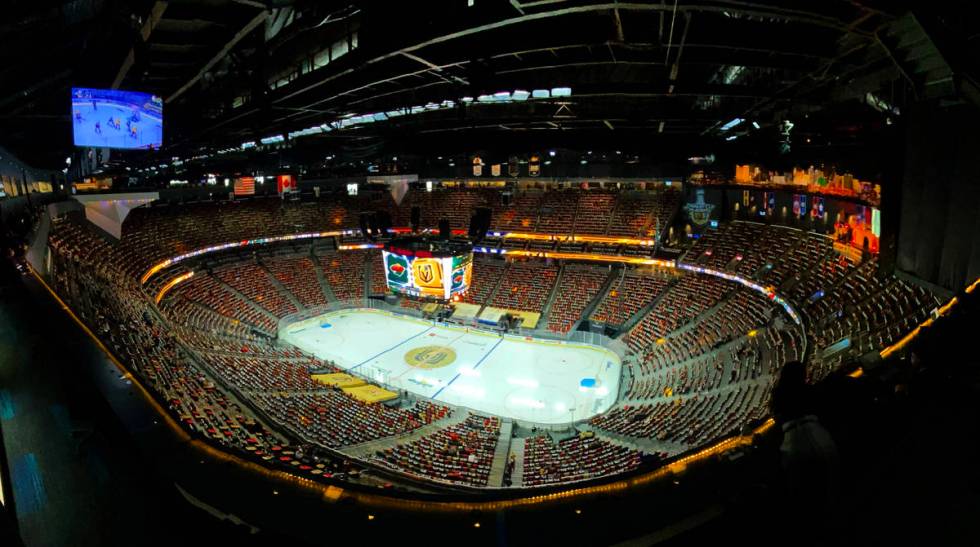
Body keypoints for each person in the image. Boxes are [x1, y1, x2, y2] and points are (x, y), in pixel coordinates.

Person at [770, 360, 841, 544]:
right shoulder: (811, 391)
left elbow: (776, 419)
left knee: (804, 498)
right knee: (830, 490)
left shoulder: (777, 396)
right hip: (821, 437)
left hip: (794, 446)